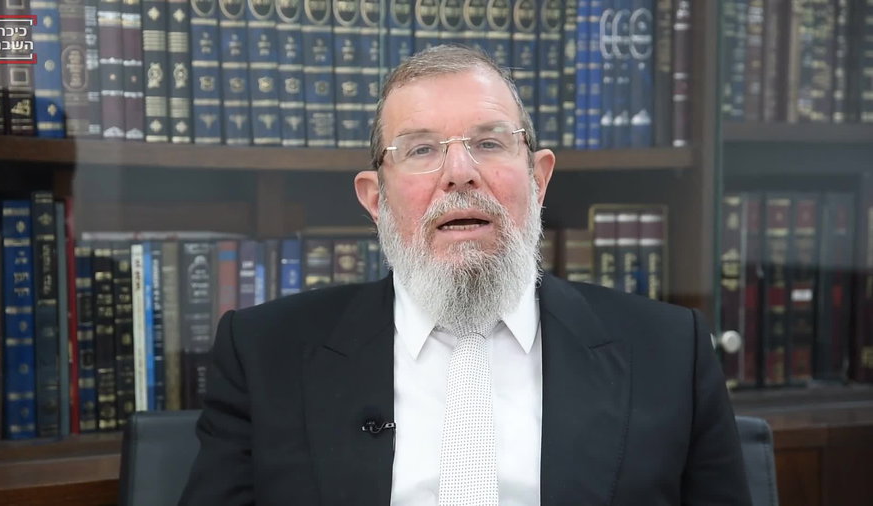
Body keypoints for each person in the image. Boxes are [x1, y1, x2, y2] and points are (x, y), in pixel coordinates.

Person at [179, 45, 750, 505]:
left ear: (539, 179)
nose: (459, 173)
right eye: (421, 150)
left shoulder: (669, 352)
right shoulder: (265, 353)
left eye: (489, 143)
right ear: (375, 199)